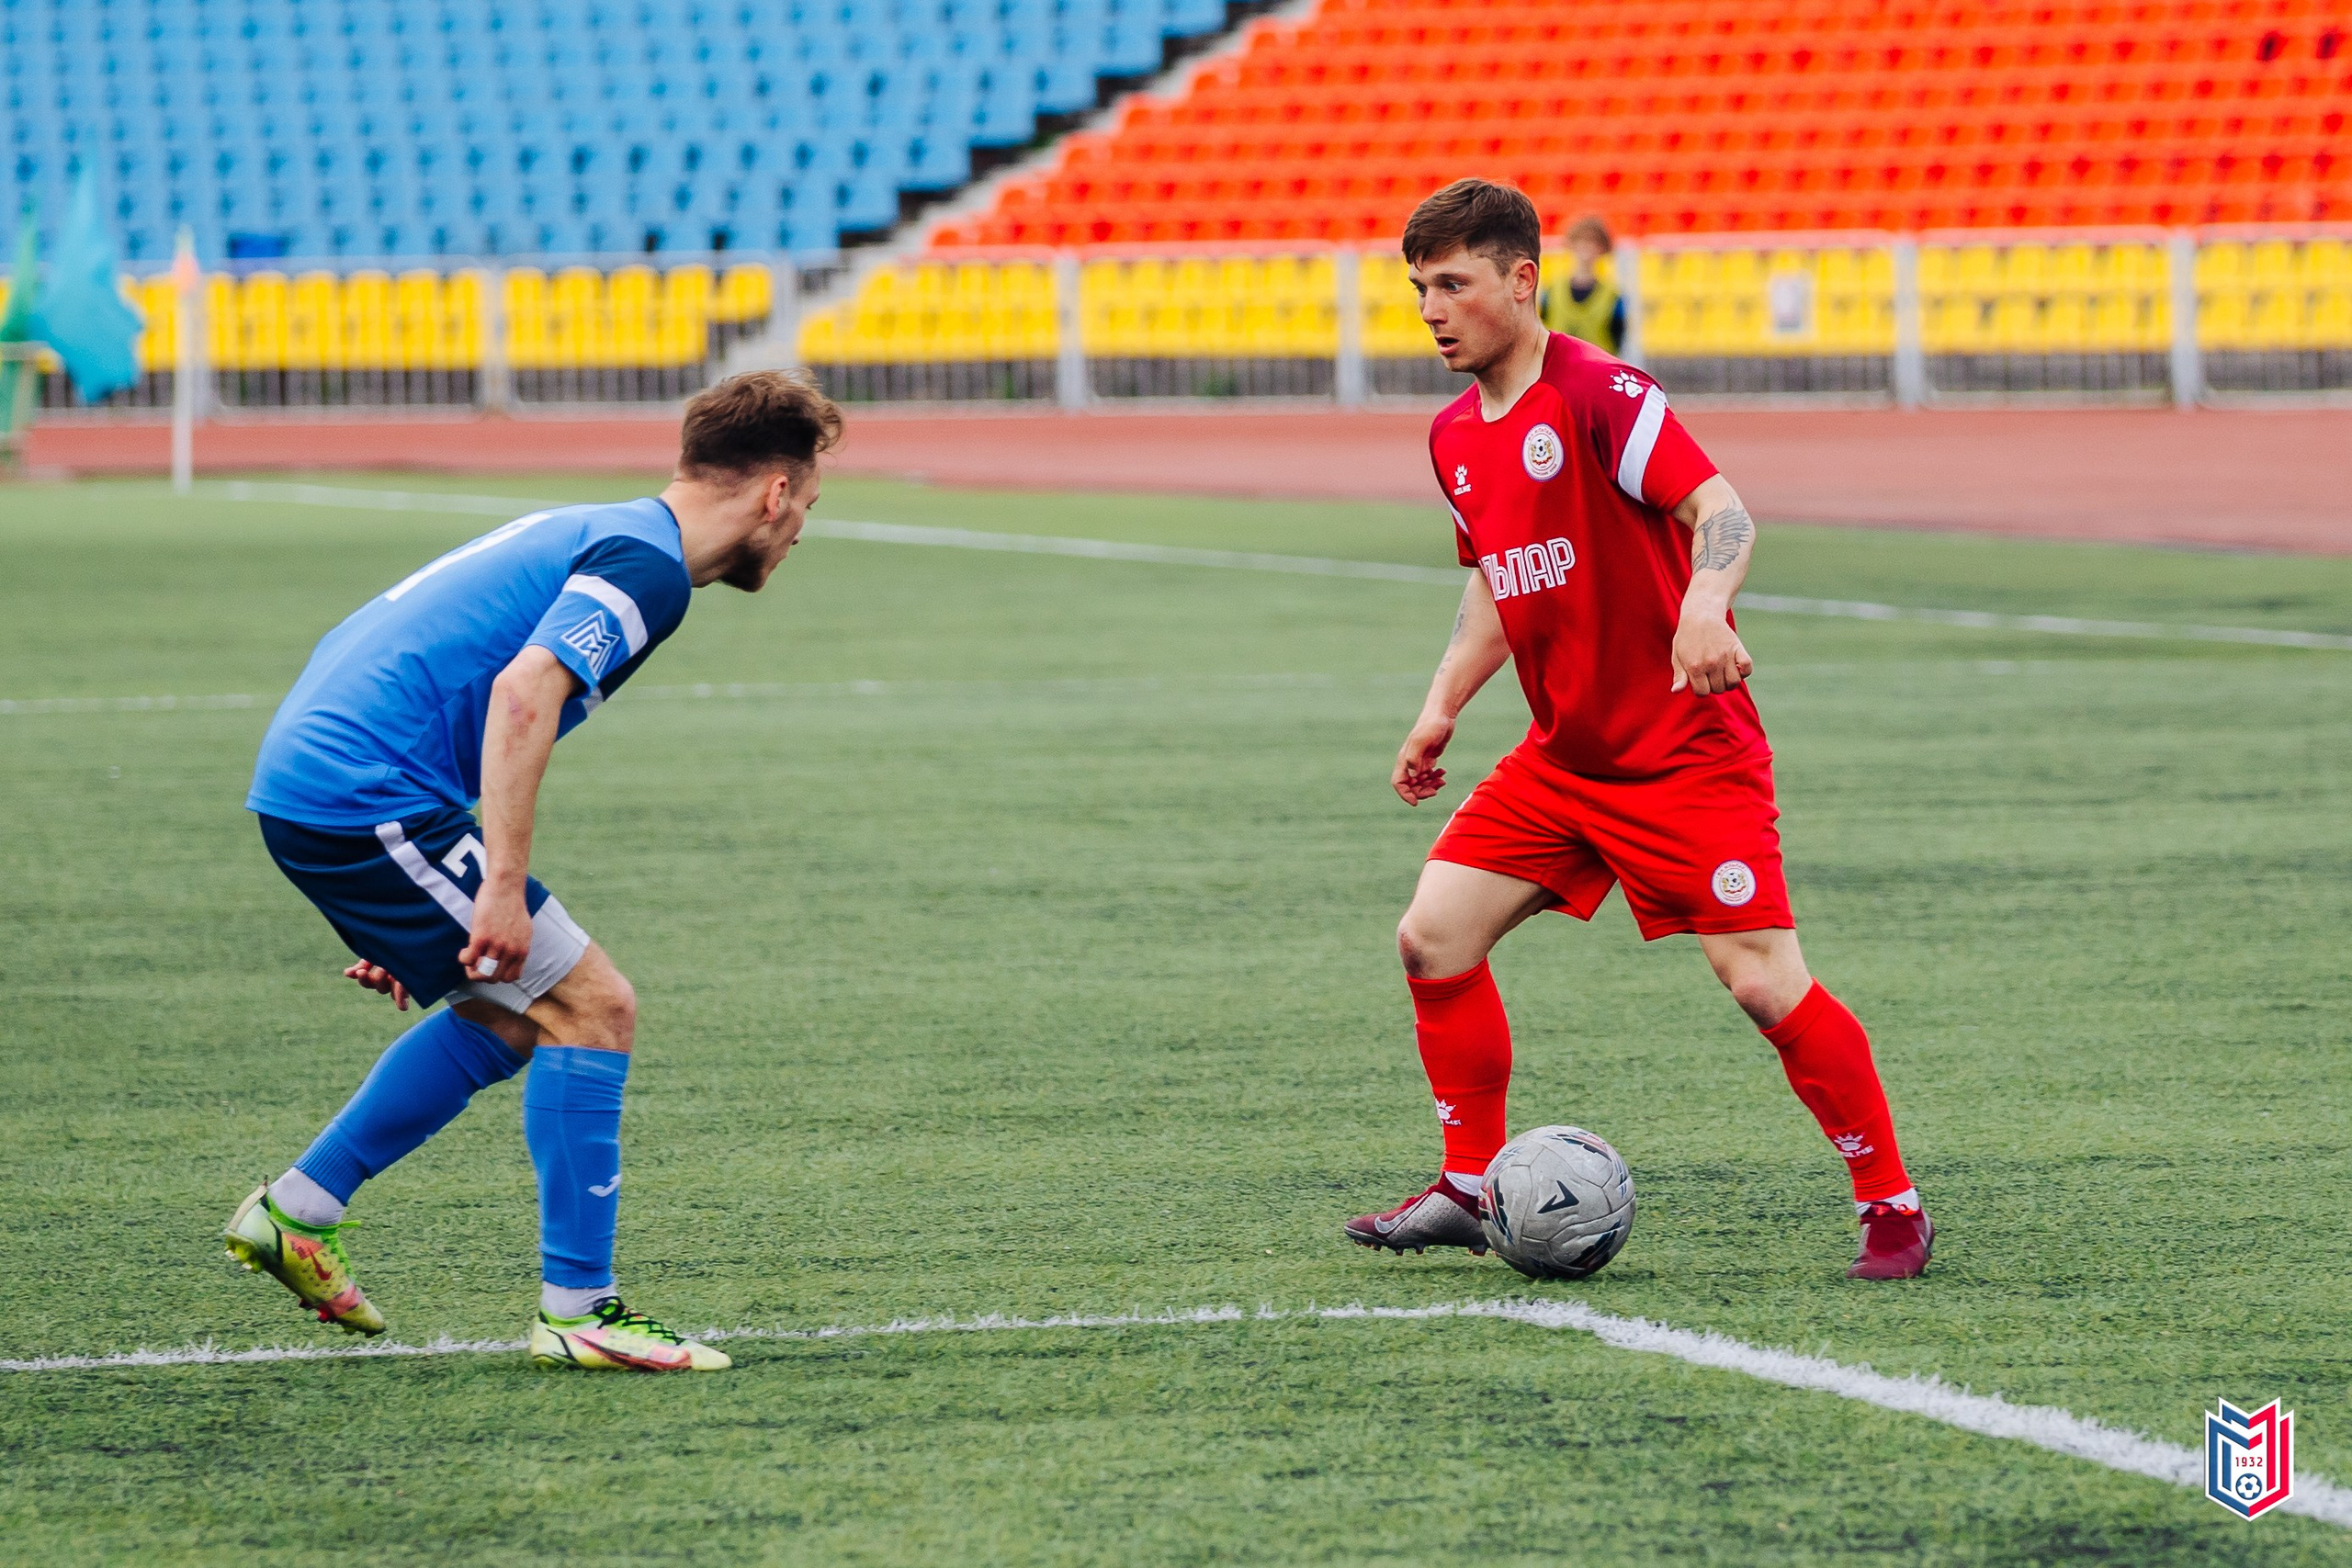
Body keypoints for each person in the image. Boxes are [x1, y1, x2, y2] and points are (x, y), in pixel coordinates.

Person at [1343, 180, 1930, 1280]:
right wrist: (1440, 704)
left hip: (1683, 756)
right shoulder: (1454, 436)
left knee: (1762, 983)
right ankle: (1468, 1187)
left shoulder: (1600, 394)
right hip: (1564, 760)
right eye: (1420, 288)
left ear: (1523, 281)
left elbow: (1722, 509)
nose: (1431, 310)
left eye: (1454, 285)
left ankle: (1890, 1204)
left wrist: (1704, 605)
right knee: (1432, 937)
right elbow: (1497, 579)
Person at [224, 370, 845, 1370]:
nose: (804, 528)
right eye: (810, 501)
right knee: (597, 1007)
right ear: (775, 493)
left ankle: (299, 1209)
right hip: (367, 793)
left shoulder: (608, 529)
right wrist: (495, 888)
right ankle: (580, 1311)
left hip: (338, 786)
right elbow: (522, 694)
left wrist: (417, 907)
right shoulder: (646, 565)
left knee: (516, 1012)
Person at [1540, 213, 1624, 354]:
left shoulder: (1613, 296)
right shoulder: (1552, 289)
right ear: (1571, 245)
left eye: (1593, 242)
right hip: (1559, 364)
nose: (1586, 247)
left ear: (1603, 248)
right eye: (1581, 241)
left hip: (1597, 366)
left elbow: (1617, 338)